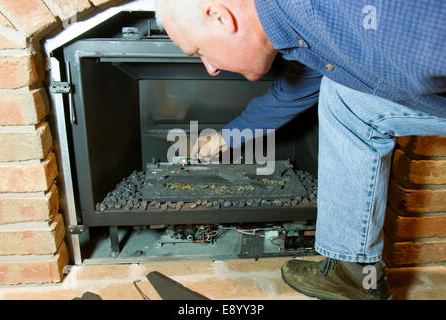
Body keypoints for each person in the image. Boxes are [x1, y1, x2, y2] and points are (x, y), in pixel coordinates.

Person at [154, 0, 446, 300]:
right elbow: (300, 86)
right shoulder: (299, 22)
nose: (211, 68)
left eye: (200, 51)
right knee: (344, 95)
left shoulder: (359, 9)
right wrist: (227, 137)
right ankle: (355, 273)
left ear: (219, 17)